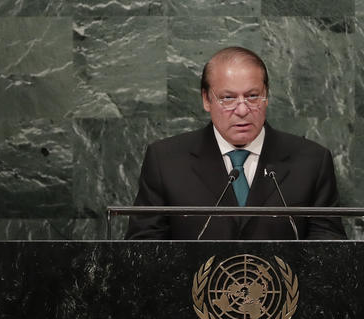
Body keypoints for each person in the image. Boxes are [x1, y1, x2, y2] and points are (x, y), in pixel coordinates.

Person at [125, 46, 347, 240]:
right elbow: (144, 250)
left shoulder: (311, 162)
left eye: (252, 96)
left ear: (266, 95)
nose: (242, 110)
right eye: (228, 98)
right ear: (206, 99)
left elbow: (328, 248)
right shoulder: (166, 161)